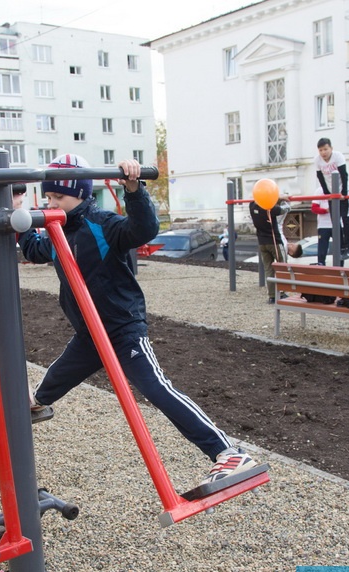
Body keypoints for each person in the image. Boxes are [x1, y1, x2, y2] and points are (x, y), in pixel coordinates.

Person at [19, 154, 258, 487]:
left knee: (156, 388)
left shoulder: (102, 224)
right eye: (48, 197)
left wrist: (133, 188)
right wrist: (16, 206)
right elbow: (33, 249)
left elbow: (144, 228)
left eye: (59, 197)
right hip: (90, 334)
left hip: (122, 328)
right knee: (54, 380)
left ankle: (229, 453)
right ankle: (31, 404)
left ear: (82, 194)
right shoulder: (58, 233)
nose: (52, 203)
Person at [314, 138, 349, 260]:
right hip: (331, 194)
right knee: (335, 221)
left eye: (325, 149)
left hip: (343, 191)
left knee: (346, 219)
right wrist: (327, 195)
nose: (323, 152)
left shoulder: (338, 156)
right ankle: (341, 246)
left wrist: (344, 193)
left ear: (331, 148)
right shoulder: (317, 160)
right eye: (320, 150)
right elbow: (320, 178)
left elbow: (344, 175)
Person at [249, 196, 289, 303]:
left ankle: (272, 296)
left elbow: (259, 200)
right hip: (274, 242)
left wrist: (277, 198)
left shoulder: (252, 206)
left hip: (262, 243)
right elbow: (285, 209)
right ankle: (282, 292)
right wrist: (283, 200)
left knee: (269, 269)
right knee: (282, 266)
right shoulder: (270, 208)